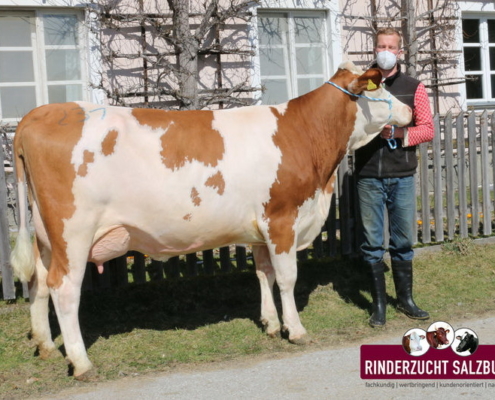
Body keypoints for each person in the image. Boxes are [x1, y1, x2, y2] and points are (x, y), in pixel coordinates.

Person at [354, 27, 434, 327]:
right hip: (368, 175)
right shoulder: (362, 83)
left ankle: (406, 300)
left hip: (401, 174)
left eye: (391, 46)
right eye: (380, 45)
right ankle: (378, 305)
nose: (385, 50)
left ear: (399, 52)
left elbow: (427, 128)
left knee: (402, 242)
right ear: (374, 50)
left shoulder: (414, 86)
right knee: (372, 243)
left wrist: (400, 133)